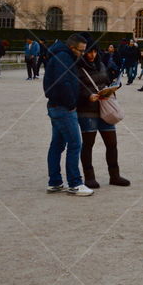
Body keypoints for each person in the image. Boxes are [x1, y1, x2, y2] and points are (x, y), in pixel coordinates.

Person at [43, 33, 93, 196]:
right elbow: (63, 83)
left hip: (57, 106)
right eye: (81, 50)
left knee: (57, 145)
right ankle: (75, 183)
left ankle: (55, 182)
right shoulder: (64, 57)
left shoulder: (62, 55)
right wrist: (71, 103)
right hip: (64, 108)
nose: (83, 54)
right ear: (72, 47)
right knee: (75, 144)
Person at [77, 41, 129, 188]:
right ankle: (89, 177)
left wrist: (111, 89)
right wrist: (88, 96)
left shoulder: (101, 65)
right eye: (89, 52)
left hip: (104, 108)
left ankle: (115, 175)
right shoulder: (78, 67)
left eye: (94, 52)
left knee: (112, 143)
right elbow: (76, 88)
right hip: (87, 109)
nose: (92, 55)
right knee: (88, 144)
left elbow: (105, 81)